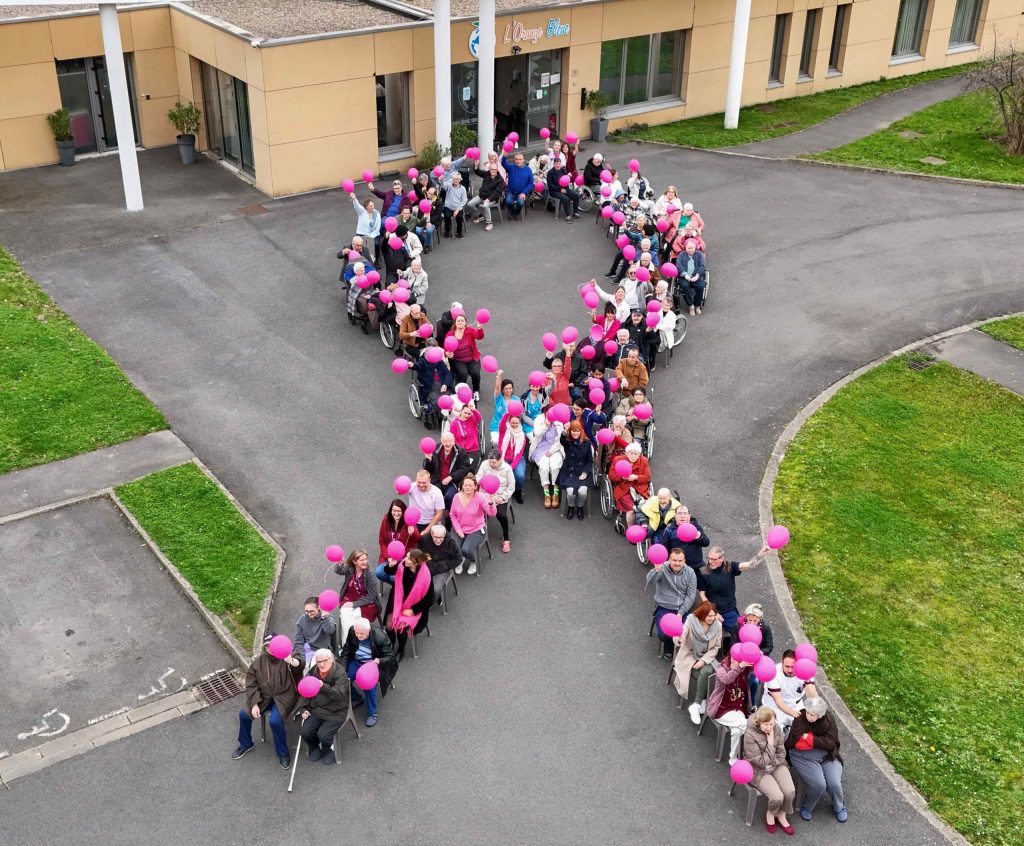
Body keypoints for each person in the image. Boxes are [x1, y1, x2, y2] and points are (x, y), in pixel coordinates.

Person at [234, 634, 302, 768]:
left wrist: (292, 661)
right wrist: (254, 703)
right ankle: (246, 744)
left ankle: (283, 753)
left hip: (284, 697)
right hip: (263, 697)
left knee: (275, 721)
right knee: (244, 715)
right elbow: (251, 684)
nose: (270, 648)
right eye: (267, 646)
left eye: (272, 645)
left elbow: (300, 665)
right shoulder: (259, 662)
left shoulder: (289, 656)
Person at [785, 697, 847, 823]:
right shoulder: (800, 717)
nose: (808, 716)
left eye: (812, 714)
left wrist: (809, 738)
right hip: (802, 756)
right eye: (807, 712)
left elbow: (830, 744)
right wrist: (818, 742)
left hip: (827, 755)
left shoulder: (828, 719)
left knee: (834, 783)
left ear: (820, 715)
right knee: (819, 784)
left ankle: (839, 806)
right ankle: (807, 807)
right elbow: (796, 742)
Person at [698, 545, 770, 641]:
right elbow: (702, 594)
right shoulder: (703, 571)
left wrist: (761, 554)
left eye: (714, 559)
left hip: (729, 610)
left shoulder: (730, 567)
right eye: (709, 558)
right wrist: (713, 612)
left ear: (722, 558)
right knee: (703, 636)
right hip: (711, 610)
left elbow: (750, 564)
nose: (710, 562)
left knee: (740, 633)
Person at [744, 706, 796, 834]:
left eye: (771, 724)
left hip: (776, 764)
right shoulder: (750, 735)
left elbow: (782, 752)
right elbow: (760, 762)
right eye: (766, 724)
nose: (769, 727)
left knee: (790, 792)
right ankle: (771, 813)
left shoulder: (776, 728)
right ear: (758, 722)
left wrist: (774, 763)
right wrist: (770, 743)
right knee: (777, 797)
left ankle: (782, 814)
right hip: (758, 770)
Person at [340, 617, 397, 728]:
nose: (358, 636)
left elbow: (390, 657)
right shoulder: (353, 631)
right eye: (357, 633)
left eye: (362, 634)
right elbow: (346, 650)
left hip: (372, 664)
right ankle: (356, 698)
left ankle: (373, 713)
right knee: (342, 679)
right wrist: (342, 668)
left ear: (369, 631)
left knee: (369, 687)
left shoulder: (380, 637)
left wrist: (379, 661)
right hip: (356, 662)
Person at [297, 648, 350, 766]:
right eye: (318, 661)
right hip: (317, 709)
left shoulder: (340, 673)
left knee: (324, 735)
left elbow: (339, 695)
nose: (321, 664)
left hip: (336, 711)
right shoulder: (314, 671)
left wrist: (323, 686)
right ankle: (315, 747)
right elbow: (305, 692)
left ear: (331, 659)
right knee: (305, 732)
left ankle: (327, 750)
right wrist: (304, 709)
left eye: (324, 661)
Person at [672, 600, 722, 722]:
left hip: (707, 657)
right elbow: (682, 634)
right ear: (702, 614)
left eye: (714, 615)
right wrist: (680, 638)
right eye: (709, 616)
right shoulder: (691, 620)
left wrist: (703, 661)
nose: (712, 618)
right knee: (707, 675)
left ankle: (697, 704)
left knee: (707, 672)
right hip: (689, 656)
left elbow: (716, 646)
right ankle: (703, 700)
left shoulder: (718, 626)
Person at [645, 546, 697, 658]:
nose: (677, 563)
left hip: (682, 608)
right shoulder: (661, 568)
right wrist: (655, 571)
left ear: (684, 561)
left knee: (687, 633)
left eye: (680, 561)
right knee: (665, 635)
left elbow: (691, 596)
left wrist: (681, 612)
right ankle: (668, 647)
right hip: (664, 607)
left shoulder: (690, 573)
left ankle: (684, 653)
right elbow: (650, 581)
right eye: (674, 560)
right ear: (669, 560)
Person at [386, 548, 435, 660]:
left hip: (415, 608)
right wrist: (391, 565)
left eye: (409, 558)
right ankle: (390, 648)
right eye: (406, 556)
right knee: (389, 626)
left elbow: (429, 599)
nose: (405, 559)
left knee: (400, 629)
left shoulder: (426, 576)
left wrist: (413, 610)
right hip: (397, 602)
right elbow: (388, 571)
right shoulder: (402, 566)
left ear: (416, 563)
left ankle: (401, 650)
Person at [706, 653, 753, 765]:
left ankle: (733, 758)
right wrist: (739, 667)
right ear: (730, 656)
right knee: (749, 725)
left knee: (737, 730)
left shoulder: (745, 670)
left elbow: (757, 666)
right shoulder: (721, 668)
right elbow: (726, 679)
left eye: (739, 660)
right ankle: (752, 756)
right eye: (734, 658)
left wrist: (756, 655)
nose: (735, 661)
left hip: (738, 709)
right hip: (721, 709)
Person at [448, 473, 497, 574]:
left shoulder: (480, 497)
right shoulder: (457, 497)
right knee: (454, 548)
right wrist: (458, 530)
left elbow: (491, 514)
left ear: (475, 486)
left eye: (470, 485)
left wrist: (491, 503)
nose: (467, 487)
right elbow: (452, 515)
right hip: (460, 528)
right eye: (465, 485)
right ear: (462, 485)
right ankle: (460, 559)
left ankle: (474, 561)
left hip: (476, 530)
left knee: (466, 550)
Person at [764, 649, 818, 734]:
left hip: (796, 704)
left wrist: (807, 681)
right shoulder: (773, 673)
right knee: (774, 733)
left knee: (805, 732)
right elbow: (779, 702)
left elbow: (814, 698)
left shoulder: (805, 671)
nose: (790, 670)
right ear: (782, 662)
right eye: (787, 666)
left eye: (793, 667)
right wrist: (797, 716)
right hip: (774, 707)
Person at [334, 549, 381, 644]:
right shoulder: (350, 569)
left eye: (366, 559)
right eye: (361, 560)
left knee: (352, 619)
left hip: (366, 603)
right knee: (345, 614)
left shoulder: (370, 575)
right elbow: (338, 571)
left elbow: (371, 596)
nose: (365, 562)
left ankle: (351, 644)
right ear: (354, 561)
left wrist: (353, 604)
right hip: (350, 597)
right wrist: (339, 563)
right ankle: (348, 644)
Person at [477, 449, 514, 552]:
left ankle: (506, 538)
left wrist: (502, 497)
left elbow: (511, 486)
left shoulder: (507, 468)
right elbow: (478, 477)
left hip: (499, 496)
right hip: (485, 494)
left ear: (499, 460)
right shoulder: (485, 464)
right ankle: (477, 535)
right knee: (476, 512)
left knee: (501, 515)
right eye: (490, 462)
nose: (491, 464)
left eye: (494, 462)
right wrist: (484, 480)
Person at [423, 431, 474, 507]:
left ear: (454, 441)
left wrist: (451, 477)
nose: (447, 444)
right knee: (432, 496)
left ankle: (447, 513)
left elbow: (465, 468)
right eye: (445, 441)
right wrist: (429, 460)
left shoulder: (461, 452)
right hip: (437, 480)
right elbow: (427, 469)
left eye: (450, 441)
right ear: (441, 441)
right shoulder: (434, 449)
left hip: (453, 482)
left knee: (450, 497)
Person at [607, 441, 650, 527]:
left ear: (639, 454)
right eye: (631, 453)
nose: (633, 456)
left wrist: (637, 477)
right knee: (631, 509)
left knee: (646, 507)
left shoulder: (644, 461)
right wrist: (622, 477)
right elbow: (611, 476)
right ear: (626, 453)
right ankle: (631, 528)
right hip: (623, 489)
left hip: (639, 489)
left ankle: (645, 525)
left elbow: (647, 478)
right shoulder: (618, 460)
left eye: (636, 454)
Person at [557, 420, 593, 520]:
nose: (575, 433)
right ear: (570, 431)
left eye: (577, 431)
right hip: (569, 471)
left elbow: (590, 461)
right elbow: (562, 440)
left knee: (582, 491)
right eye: (573, 430)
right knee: (570, 491)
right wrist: (565, 430)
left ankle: (580, 507)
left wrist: (585, 473)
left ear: (581, 431)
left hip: (582, 471)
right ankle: (571, 507)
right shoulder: (567, 442)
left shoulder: (586, 443)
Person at [529, 410, 564, 509]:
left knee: (555, 466)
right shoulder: (539, 419)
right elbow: (537, 434)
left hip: (555, 448)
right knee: (544, 467)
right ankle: (547, 494)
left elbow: (560, 440)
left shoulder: (559, 422)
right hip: (540, 448)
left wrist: (552, 450)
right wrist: (545, 425)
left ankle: (556, 493)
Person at [445, 313, 485, 399]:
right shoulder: (450, 334)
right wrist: (447, 353)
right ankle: (461, 391)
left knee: (476, 373)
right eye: (458, 320)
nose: (460, 322)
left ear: (465, 323)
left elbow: (479, 337)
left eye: (462, 320)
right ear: (455, 323)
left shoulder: (470, 330)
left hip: (472, 358)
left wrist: (479, 328)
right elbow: (446, 346)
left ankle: (476, 391)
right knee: (463, 374)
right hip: (458, 359)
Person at [742, 603, 774, 706]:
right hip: (743, 656)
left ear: (759, 619)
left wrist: (759, 652)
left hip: (759, 657)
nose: (752, 623)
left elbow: (769, 647)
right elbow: (734, 643)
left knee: (754, 680)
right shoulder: (738, 625)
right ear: (746, 617)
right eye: (749, 620)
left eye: (755, 621)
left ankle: (752, 702)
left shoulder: (765, 628)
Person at [662, 504, 710, 572]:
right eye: (679, 513)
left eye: (685, 513)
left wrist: (699, 537)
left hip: (697, 563)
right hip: (678, 565)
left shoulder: (696, 527)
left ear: (689, 516)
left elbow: (706, 543)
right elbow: (664, 548)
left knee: (708, 578)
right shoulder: (669, 530)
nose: (682, 516)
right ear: (675, 516)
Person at [418, 523, 462, 597]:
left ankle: (430, 603)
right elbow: (418, 552)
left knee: (435, 590)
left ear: (444, 535)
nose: (438, 540)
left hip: (442, 570)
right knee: (415, 585)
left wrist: (446, 566)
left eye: (441, 537)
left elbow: (458, 558)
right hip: (426, 567)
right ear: (431, 534)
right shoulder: (424, 539)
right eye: (436, 537)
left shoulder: (451, 543)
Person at [293, 596, 337, 666]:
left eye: (311, 611)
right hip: (309, 649)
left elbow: (330, 631)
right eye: (306, 611)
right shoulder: (301, 621)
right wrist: (302, 659)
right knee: (304, 668)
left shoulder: (327, 616)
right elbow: (298, 642)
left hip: (324, 650)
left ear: (318, 608)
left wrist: (324, 619)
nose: (309, 614)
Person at [377, 500, 421, 565]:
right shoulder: (386, 519)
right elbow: (381, 541)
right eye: (394, 511)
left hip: (403, 557)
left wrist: (413, 532)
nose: (396, 513)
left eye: (399, 511)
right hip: (388, 557)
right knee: (379, 572)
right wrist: (388, 557)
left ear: (403, 511)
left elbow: (418, 538)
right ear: (391, 510)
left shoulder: (408, 520)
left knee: (395, 573)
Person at [497, 413, 528, 502]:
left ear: (520, 423)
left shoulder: (522, 436)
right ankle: (502, 491)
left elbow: (519, 454)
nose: (514, 425)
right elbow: (502, 423)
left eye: (516, 423)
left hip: (516, 459)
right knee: (501, 474)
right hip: (503, 458)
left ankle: (518, 491)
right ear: (509, 422)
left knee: (520, 476)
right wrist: (507, 413)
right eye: (512, 422)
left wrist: (511, 467)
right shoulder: (504, 430)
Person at [467, 160, 504, 231]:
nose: (493, 171)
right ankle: (480, 216)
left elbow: (497, 192)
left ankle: (489, 223)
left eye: (495, 169)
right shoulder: (487, 174)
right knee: (469, 204)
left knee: (486, 205)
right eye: (491, 169)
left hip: (492, 199)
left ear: (497, 170)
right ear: (489, 169)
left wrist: (489, 199)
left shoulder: (500, 180)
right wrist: (476, 165)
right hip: (482, 196)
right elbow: (477, 172)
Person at [675, 238, 707, 316]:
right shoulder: (681, 255)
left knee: (701, 286)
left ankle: (697, 305)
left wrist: (697, 275)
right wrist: (685, 274)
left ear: (695, 247)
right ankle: (691, 305)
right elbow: (678, 265)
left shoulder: (700, 254)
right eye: (688, 248)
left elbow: (703, 266)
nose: (690, 249)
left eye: (692, 248)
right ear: (685, 248)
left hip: (696, 275)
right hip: (685, 276)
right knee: (684, 286)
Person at [409, 468, 445, 534]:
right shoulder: (412, 486)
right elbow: (399, 492)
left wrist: (427, 530)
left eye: (424, 483)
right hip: (413, 521)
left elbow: (439, 514)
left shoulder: (437, 493)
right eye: (419, 482)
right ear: (416, 480)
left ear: (429, 480)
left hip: (428, 523)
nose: (421, 485)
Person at [449, 401, 483, 469]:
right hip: (461, 451)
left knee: (470, 469)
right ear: (461, 411)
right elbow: (453, 438)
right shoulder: (454, 423)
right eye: (465, 413)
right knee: (461, 470)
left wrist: (474, 410)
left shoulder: (472, 419)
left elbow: (479, 418)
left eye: (469, 413)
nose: (467, 415)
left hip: (473, 450)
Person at [349, 195, 382, 265]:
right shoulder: (362, 211)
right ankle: (359, 260)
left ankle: (377, 261)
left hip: (374, 234)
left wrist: (371, 236)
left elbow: (378, 226)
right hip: (362, 233)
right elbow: (357, 205)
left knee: (376, 244)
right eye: (370, 206)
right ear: (366, 207)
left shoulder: (377, 213)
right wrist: (354, 198)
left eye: (373, 205)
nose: (373, 207)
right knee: (359, 245)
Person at [547, 158, 580, 223]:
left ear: (561, 164)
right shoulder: (550, 172)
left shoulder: (563, 170)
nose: (557, 165)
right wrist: (560, 189)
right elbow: (550, 185)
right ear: (553, 164)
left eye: (559, 163)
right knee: (566, 198)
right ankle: (568, 215)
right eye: (556, 164)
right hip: (554, 191)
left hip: (564, 188)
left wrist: (569, 177)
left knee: (576, 195)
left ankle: (575, 212)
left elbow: (567, 180)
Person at [502, 151, 534, 219]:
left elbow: (530, 183)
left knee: (520, 203)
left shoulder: (528, 170)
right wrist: (504, 156)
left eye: (520, 159)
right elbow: (503, 164)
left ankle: (516, 213)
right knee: (508, 202)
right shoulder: (511, 167)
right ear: (514, 160)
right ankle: (513, 212)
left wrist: (524, 193)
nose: (518, 161)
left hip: (521, 193)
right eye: (516, 159)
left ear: (523, 160)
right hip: (511, 191)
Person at [490, 373, 515, 444]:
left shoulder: (516, 400)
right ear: (502, 390)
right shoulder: (499, 398)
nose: (508, 390)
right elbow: (497, 387)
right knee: (495, 442)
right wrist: (499, 376)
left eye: (510, 388)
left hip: (511, 426)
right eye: (506, 389)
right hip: (497, 424)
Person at [443, 171, 468, 238]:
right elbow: (443, 185)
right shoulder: (449, 186)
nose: (455, 180)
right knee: (447, 217)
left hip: (458, 207)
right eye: (454, 179)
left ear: (460, 180)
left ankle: (459, 231)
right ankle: (447, 230)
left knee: (459, 217)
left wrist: (458, 209)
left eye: (457, 179)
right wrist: (441, 180)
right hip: (448, 206)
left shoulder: (463, 189)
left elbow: (464, 200)